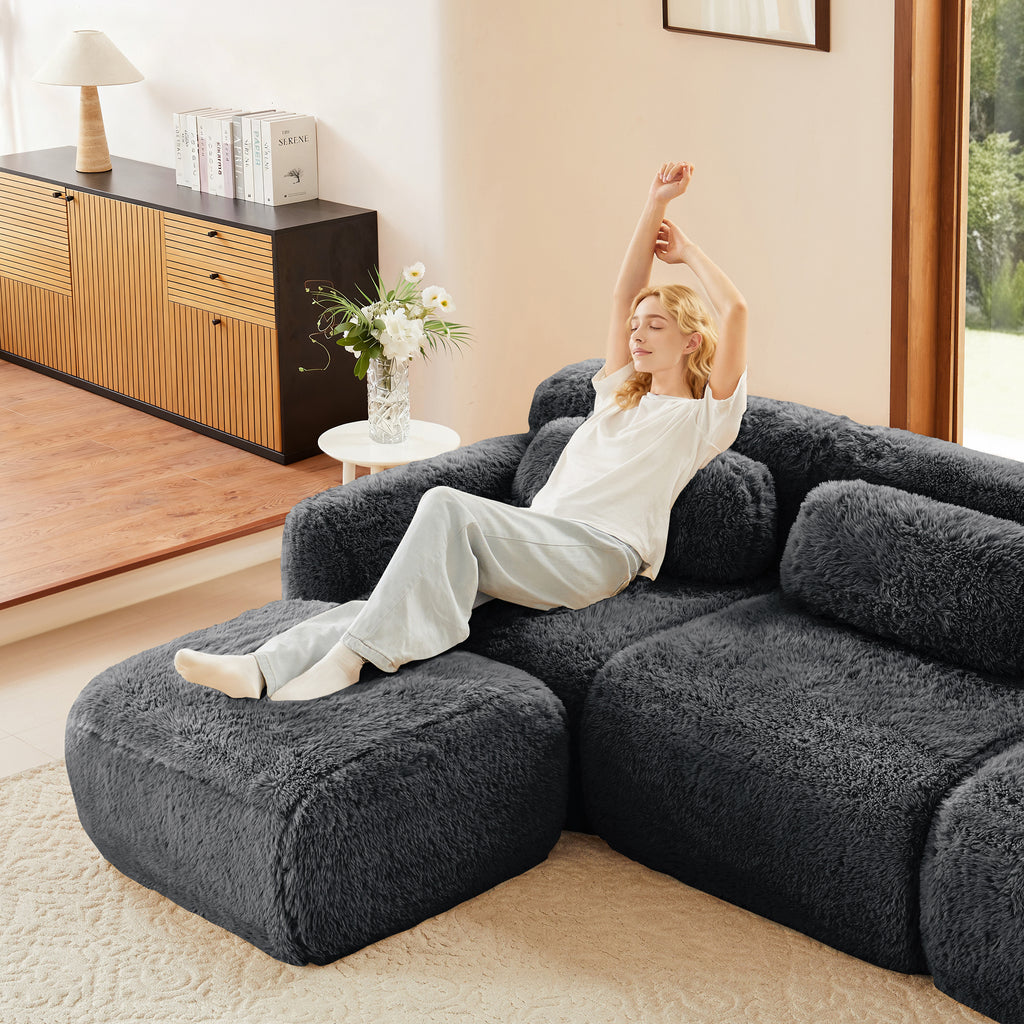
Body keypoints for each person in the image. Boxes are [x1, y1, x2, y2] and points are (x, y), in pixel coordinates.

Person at [174, 160, 749, 702]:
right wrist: (654, 204)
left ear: (692, 340)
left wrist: (689, 251)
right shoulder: (618, 394)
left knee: (447, 505)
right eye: (634, 328)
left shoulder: (704, 420)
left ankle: (348, 662)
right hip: (539, 536)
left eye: (656, 326)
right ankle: (261, 667)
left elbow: (737, 311)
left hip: (599, 553)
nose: (636, 335)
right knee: (398, 594)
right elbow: (622, 293)